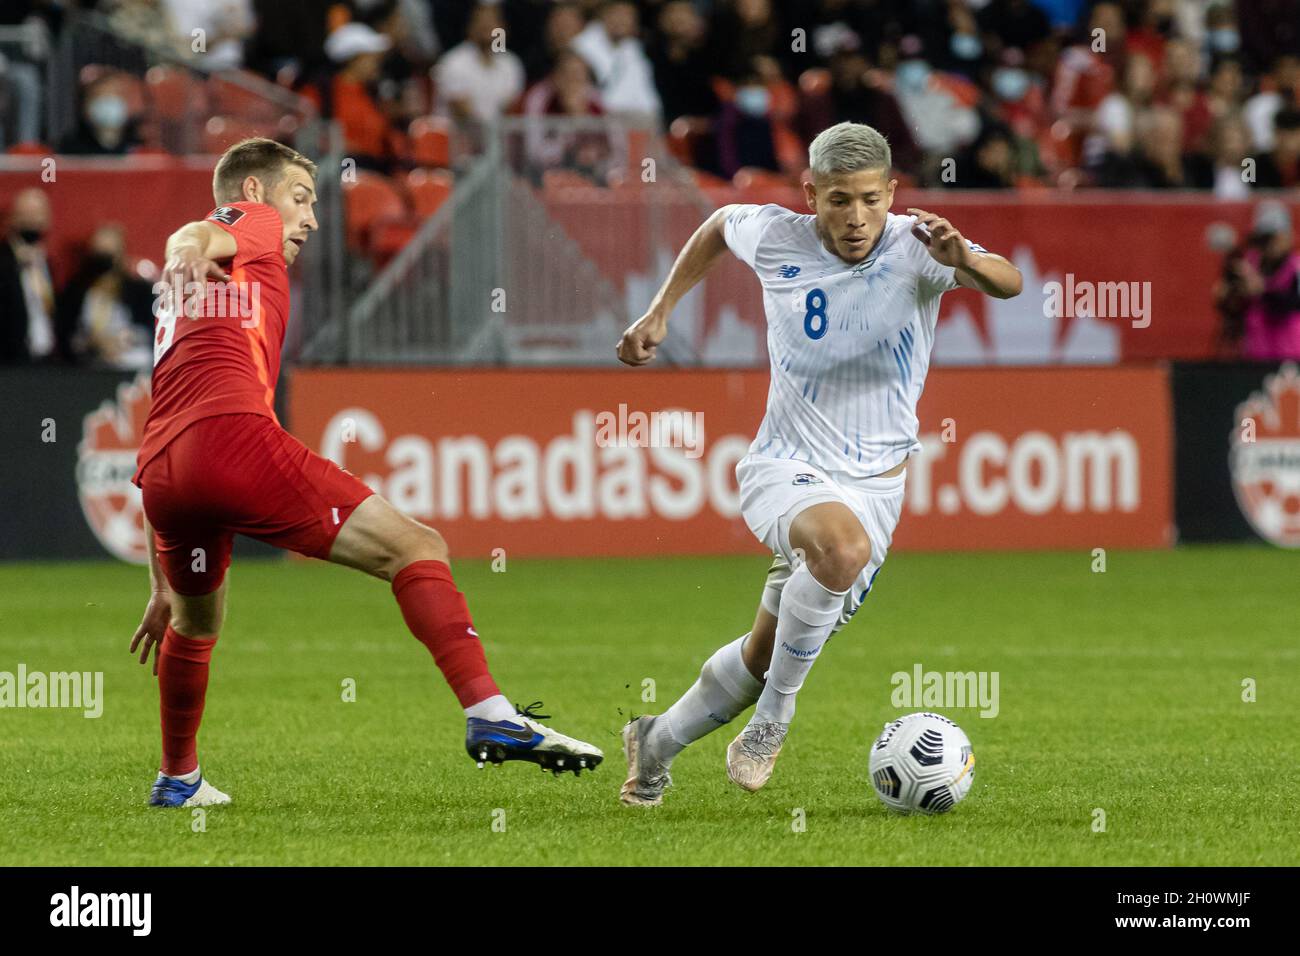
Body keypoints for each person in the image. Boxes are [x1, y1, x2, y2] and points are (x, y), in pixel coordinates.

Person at [130, 137, 602, 808]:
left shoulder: (187, 304)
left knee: (195, 624)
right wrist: (183, 253)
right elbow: (199, 234)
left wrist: (158, 580)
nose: (312, 220)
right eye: (302, 200)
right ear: (258, 193)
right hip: (230, 439)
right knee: (418, 547)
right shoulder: (249, 222)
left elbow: (167, 413)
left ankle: (178, 779)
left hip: (164, 472)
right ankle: (491, 715)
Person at [614, 122, 1021, 805]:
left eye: (869, 199)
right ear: (812, 193)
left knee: (763, 656)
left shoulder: (922, 248)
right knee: (841, 549)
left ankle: (653, 744)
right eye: (838, 200)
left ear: (892, 193)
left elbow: (1008, 283)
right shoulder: (778, 237)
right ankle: (774, 723)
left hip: (877, 488)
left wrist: (969, 261)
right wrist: (659, 312)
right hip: (785, 465)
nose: (856, 217)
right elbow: (718, 224)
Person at [0, 188, 64, 363]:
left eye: (37, 214)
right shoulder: (4, 262)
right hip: (11, 363)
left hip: (47, 361)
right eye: (25, 214)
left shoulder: (48, 263)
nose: (32, 221)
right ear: (13, 218)